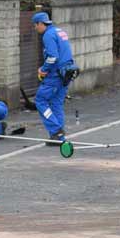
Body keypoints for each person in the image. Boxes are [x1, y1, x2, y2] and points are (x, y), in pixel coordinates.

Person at [32, 11, 77, 143]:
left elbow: (53, 57)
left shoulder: (48, 35)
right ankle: (58, 137)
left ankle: (56, 130)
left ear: (41, 23)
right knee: (56, 103)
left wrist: (43, 69)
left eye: (35, 25)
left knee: (40, 101)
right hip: (67, 72)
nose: (35, 28)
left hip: (55, 75)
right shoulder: (59, 31)